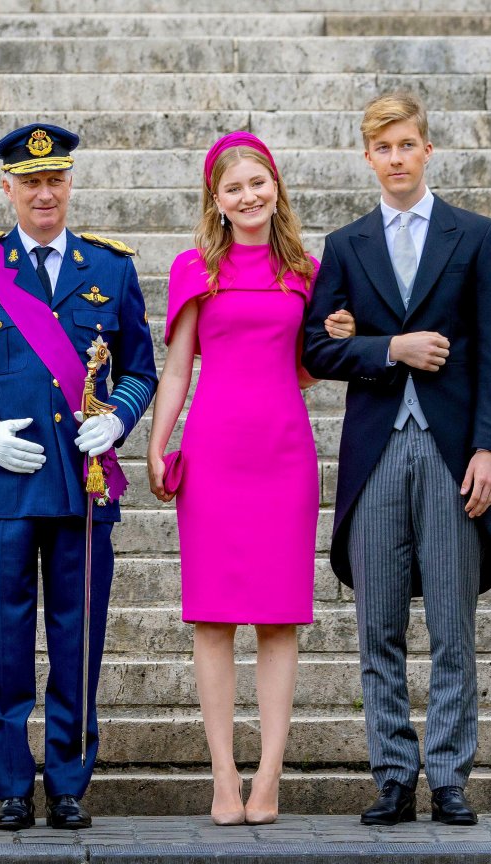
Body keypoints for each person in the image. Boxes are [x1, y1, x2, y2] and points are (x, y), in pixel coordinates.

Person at [0, 123, 158, 831]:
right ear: (8, 189)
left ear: (69, 184)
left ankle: (71, 780)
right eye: (30, 182)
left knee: (78, 636)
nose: (43, 192)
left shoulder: (108, 268)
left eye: (54, 180)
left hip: (82, 486)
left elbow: (141, 365)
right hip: (1, 487)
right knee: (5, 639)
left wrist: (117, 418)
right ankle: (13, 784)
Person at [303, 92, 491, 827]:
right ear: (369, 158)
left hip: (454, 450)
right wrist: (386, 348)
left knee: (454, 625)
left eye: (407, 145)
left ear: (428, 150)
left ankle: (450, 774)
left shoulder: (474, 235)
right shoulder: (345, 243)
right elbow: (317, 348)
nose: (396, 158)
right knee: (378, 627)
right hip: (376, 452)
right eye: (383, 148)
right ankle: (394, 774)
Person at [146, 131, 355, 826]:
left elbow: (305, 364)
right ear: (217, 199)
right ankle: (223, 777)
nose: (248, 196)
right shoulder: (193, 269)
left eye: (258, 183)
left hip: (283, 453)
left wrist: (341, 336)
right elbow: (178, 367)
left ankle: (269, 776)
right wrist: (157, 442)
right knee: (210, 617)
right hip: (213, 453)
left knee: (278, 618)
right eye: (234, 188)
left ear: (276, 187)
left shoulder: (307, 269)